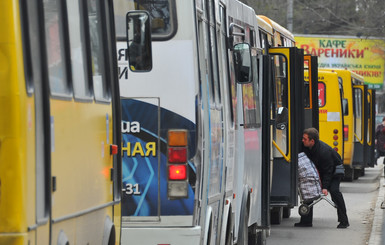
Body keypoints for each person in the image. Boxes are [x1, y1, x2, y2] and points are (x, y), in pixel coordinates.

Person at [294, 128, 349, 229]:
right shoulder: (306, 146)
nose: (302, 140)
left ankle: (344, 220)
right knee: (308, 188)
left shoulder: (324, 152)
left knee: (334, 191)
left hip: (334, 171)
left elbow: (328, 172)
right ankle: (306, 221)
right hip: (321, 170)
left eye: (304, 139)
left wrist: (324, 187)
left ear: (312, 141)